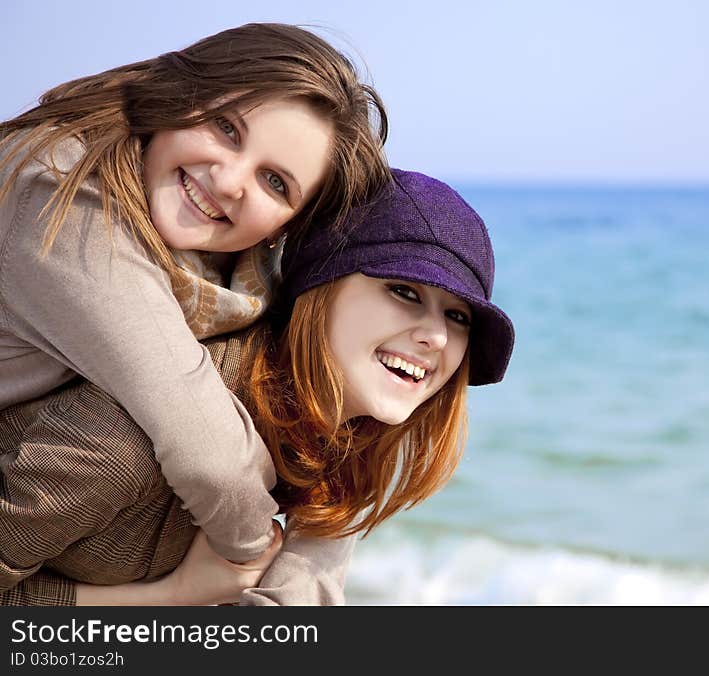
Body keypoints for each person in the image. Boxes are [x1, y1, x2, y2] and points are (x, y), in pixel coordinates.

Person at [0, 169, 515, 605]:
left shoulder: (336, 444)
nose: (436, 335)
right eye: (403, 291)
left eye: (458, 316)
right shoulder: (123, 445)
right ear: (318, 288)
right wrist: (171, 596)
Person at [0, 23, 390, 567]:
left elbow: (326, 426)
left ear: (288, 227)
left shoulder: (240, 276)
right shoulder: (56, 188)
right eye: (226, 128)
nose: (230, 182)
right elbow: (209, 454)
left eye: (276, 182)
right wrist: (250, 562)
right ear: (178, 97)